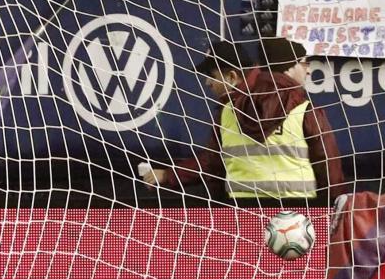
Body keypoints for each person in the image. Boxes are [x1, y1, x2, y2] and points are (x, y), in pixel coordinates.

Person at [141, 43, 344, 204]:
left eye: (211, 76)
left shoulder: (228, 112)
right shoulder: (304, 109)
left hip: (241, 214)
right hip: (297, 215)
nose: (207, 83)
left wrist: (218, 205)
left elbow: (213, 166)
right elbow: (328, 166)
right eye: (305, 63)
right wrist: (334, 209)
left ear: (232, 76)